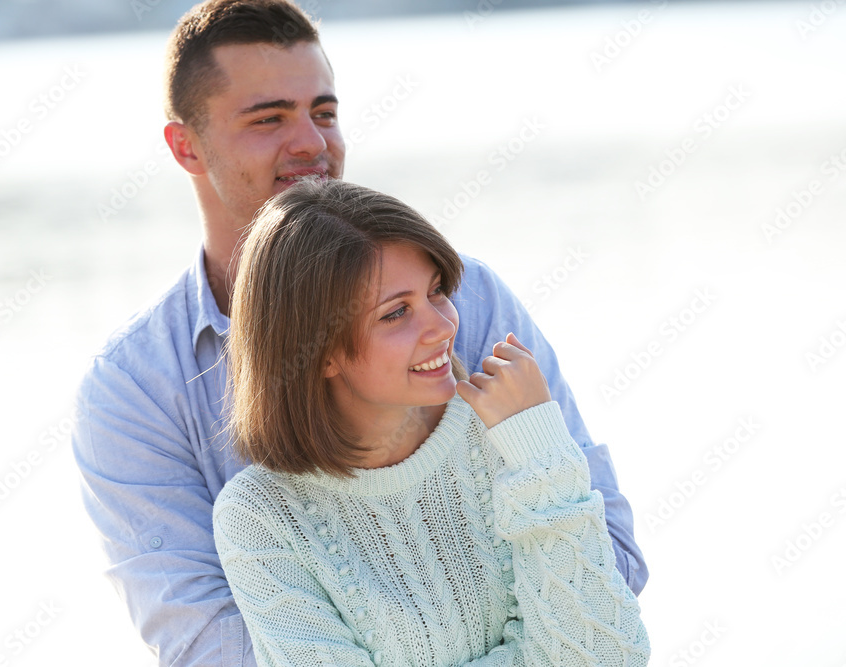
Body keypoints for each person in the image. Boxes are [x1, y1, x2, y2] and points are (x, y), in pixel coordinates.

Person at [71, 1, 647, 665]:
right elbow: (212, 649)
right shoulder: (135, 388)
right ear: (185, 146)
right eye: (269, 118)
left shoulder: (467, 298)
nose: (314, 144)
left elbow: (609, 571)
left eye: (323, 111)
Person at [214, 178, 650, 667]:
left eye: (437, 291)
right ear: (317, 352)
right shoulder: (260, 517)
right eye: (397, 313)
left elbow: (610, 654)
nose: (445, 326)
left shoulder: (512, 435)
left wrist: (540, 453)